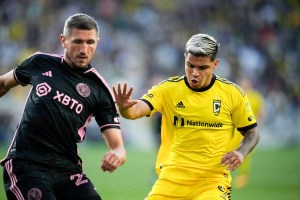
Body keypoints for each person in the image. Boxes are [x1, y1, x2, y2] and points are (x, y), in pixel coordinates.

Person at [113, 33, 260, 200]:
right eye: (190, 65)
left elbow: (252, 133)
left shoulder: (233, 94)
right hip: (171, 180)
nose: (195, 73)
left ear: (215, 64)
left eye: (202, 67)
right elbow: (134, 111)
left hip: (211, 181)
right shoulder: (168, 89)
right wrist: (124, 107)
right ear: (185, 59)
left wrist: (241, 152)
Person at [0, 13, 126, 200]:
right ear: (64, 40)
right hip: (26, 164)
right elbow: (3, 84)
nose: (84, 49)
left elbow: (118, 147)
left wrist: (117, 154)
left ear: (97, 42)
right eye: (78, 42)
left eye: (90, 42)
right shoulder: (40, 62)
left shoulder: (101, 90)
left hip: (68, 170)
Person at [232, 77, 264, 188]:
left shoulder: (255, 97)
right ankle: (227, 173)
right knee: (231, 150)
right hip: (236, 129)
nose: (244, 85)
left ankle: (242, 176)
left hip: (248, 130)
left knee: (245, 152)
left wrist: (255, 126)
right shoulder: (238, 95)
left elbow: (261, 113)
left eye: (245, 83)